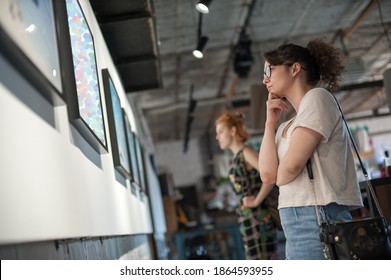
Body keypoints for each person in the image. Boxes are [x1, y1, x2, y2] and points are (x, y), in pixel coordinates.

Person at [256, 38, 363, 260]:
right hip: (298, 220)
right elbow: (268, 175)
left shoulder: (318, 97)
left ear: (294, 68)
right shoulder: (287, 125)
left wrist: (281, 174)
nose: (265, 79)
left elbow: (289, 170)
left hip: (317, 217)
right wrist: (269, 123)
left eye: (269, 70)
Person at [215, 112, 278, 260]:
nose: (217, 137)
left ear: (232, 131)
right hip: (248, 218)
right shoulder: (237, 156)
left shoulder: (246, 152)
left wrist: (256, 201)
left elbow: (270, 176)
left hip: (258, 217)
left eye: (220, 132)